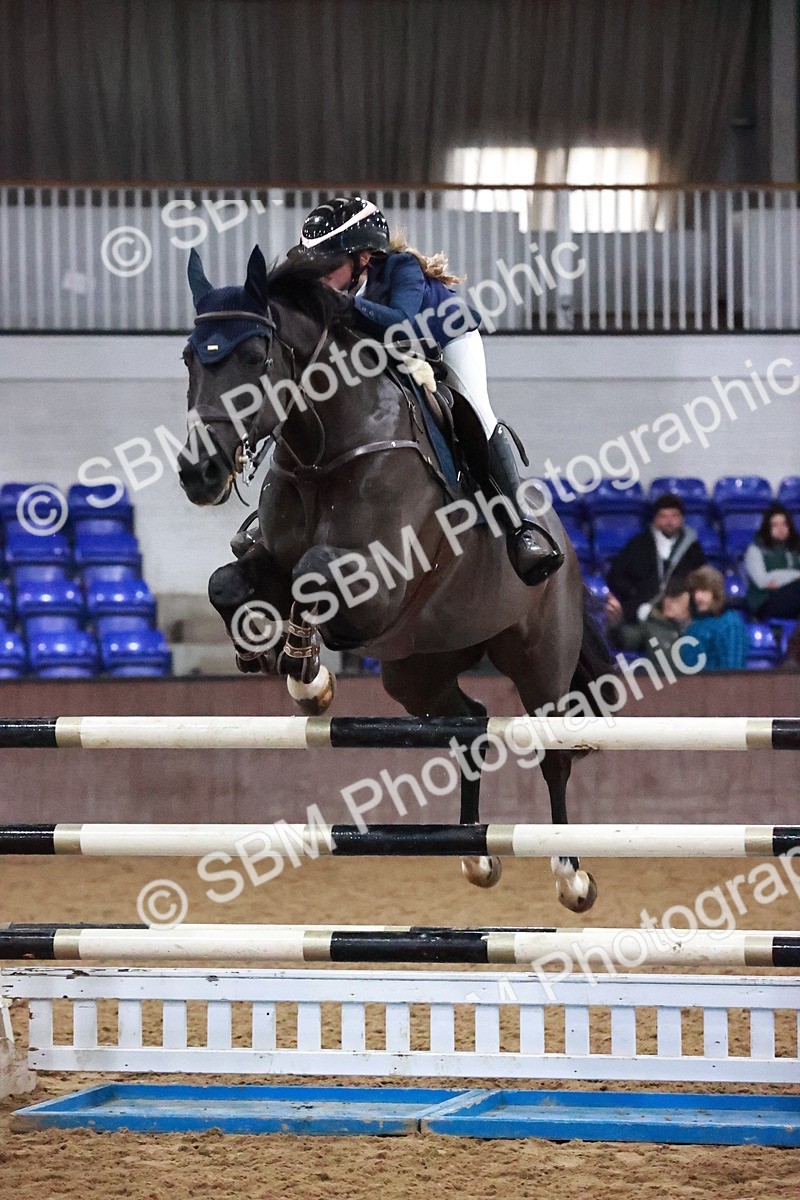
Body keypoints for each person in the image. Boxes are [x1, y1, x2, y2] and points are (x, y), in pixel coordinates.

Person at [288, 195, 563, 587]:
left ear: (364, 258)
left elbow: (400, 323)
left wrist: (334, 305)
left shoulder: (402, 269)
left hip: (444, 339)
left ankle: (522, 527)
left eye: (327, 266)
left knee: (478, 414)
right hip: (391, 350)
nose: (319, 277)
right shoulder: (337, 284)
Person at [605, 493, 706, 648]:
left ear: (682, 519)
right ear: (655, 519)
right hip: (642, 614)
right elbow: (616, 576)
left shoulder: (693, 549)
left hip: (682, 616)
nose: (669, 521)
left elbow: (702, 580)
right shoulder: (638, 545)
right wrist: (635, 595)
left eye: (674, 516)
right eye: (663, 516)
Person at [681, 565, 748, 671]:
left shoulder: (730, 623)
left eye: (703, 590)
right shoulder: (695, 623)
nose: (697, 596)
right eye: (695, 591)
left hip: (715, 685)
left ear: (715, 592)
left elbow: (732, 668)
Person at [744, 504, 800, 620]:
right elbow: (763, 581)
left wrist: (779, 577)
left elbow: (774, 579)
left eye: (784, 524)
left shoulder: (795, 548)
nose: (781, 529)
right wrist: (796, 575)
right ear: (767, 527)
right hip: (765, 602)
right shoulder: (755, 550)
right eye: (775, 525)